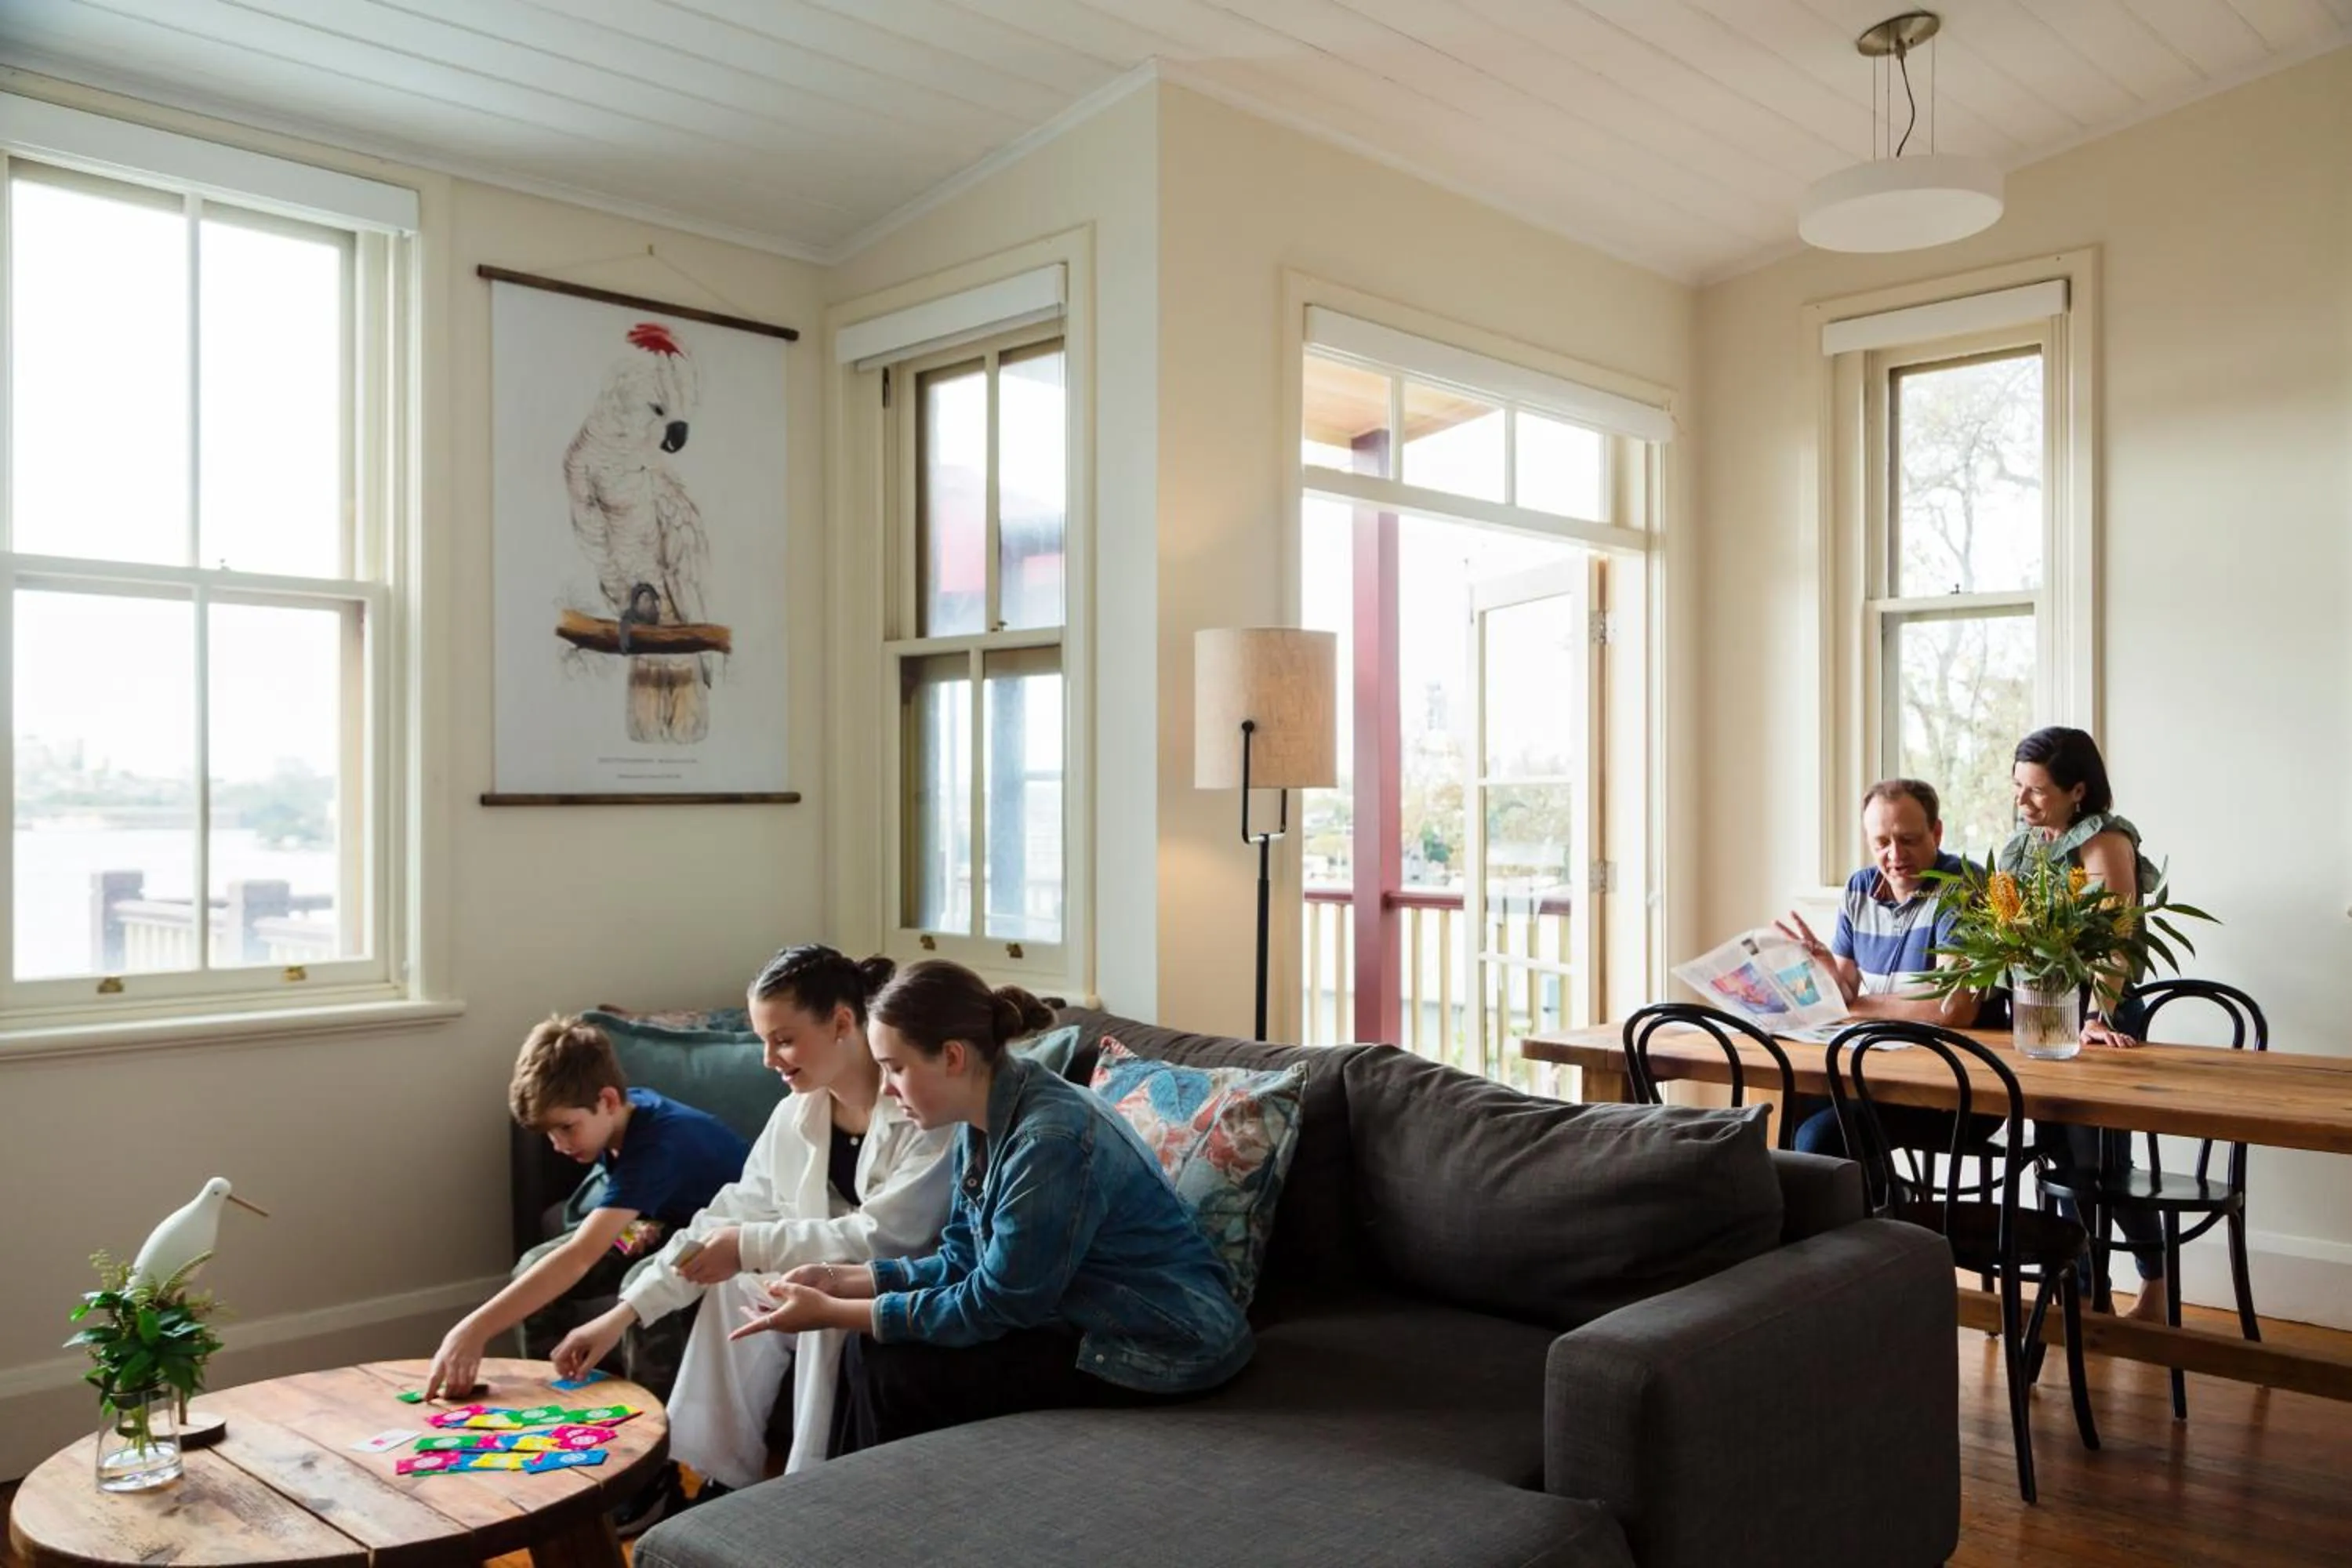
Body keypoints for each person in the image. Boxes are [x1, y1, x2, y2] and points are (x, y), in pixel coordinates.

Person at [728, 960, 1253, 1452]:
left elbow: (993, 1304)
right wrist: (838, 1279)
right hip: (1071, 1318)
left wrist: (832, 1313)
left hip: (1161, 1345)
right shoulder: (980, 1117)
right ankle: (848, 1519)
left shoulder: (1050, 1140)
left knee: (894, 1369)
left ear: (952, 1057)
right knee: (873, 1351)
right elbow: (962, 1258)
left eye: (895, 1068)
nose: (886, 1087)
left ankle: (872, 1527)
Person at [554, 946, 955, 1532]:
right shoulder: (796, 1114)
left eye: (784, 1040)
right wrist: (623, 1313)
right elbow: (727, 1215)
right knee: (735, 1284)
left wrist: (750, 1246)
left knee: (796, 1288)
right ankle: (717, 1478)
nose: (768, 1059)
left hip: (905, 1279)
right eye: (763, 1041)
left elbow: (885, 1238)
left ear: (844, 1023)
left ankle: (806, 1501)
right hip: (827, 1265)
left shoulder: (919, 1107)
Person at [425, 1016, 751, 1402]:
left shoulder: (660, 1144)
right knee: (533, 1265)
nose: (558, 1145)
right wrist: (638, 1226)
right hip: (671, 1223)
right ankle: (556, 1400)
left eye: (566, 1127)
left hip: (729, 1242)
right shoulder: (620, 1119)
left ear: (608, 1101)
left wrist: (473, 1329)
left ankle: (661, 1437)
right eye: (549, 1133)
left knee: (640, 1290)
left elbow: (580, 1255)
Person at [2001, 726, 2171, 1323]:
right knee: (2057, 1159)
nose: (2022, 802)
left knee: (2099, 1167)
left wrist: (2097, 1015)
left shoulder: (2103, 841)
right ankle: (2081, 1288)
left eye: (2037, 791)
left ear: (2078, 790)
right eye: (2018, 787)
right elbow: (2010, 933)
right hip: (2042, 1015)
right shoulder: (2019, 847)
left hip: (2101, 1016)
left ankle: (2154, 1282)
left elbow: (2117, 942)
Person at [1775, 779, 1983, 1156]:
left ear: (1936, 832)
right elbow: (1845, 992)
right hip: (1877, 1072)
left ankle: (1874, 1206)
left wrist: (1858, 1007)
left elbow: (1953, 1009)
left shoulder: (1961, 886)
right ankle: (1879, 1201)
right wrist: (1826, 970)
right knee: (1787, 1112)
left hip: (1955, 1087)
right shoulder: (1859, 888)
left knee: (1820, 1139)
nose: (1895, 855)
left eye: (1908, 840)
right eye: (1882, 843)